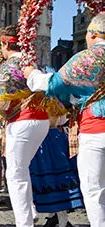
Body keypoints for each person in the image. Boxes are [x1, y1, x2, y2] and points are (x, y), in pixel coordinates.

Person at [23, 12, 105, 227]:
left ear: (93, 33)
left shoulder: (91, 56)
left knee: (94, 190)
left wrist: (31, 74)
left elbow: (53, 85)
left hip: (97, 130)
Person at [0, 25, 50, 227]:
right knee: (22, 169)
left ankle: (24, 223)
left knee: (15, 174)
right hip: (42, 120)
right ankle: (30, 211)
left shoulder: (8, 66)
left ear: (5, 43)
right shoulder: (30, 61)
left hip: (23, 121)